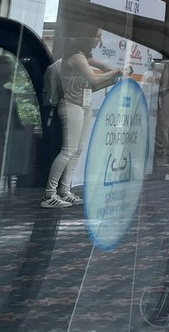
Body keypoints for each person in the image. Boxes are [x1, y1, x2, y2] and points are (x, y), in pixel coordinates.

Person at [42, 30, 124, 208]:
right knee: (68, 150)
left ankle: (65, 191)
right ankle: (49, 194)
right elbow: (94, 79)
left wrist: (114, 74)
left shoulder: (86, 58)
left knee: (77, 150)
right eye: (97, 35)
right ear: (86, 37)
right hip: (70, 105)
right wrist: (116, 71)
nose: (99, 40)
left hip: (83, 105)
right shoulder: (76, 58)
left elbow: (101, 75)